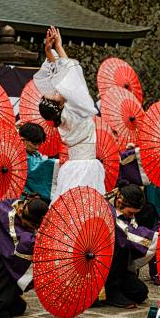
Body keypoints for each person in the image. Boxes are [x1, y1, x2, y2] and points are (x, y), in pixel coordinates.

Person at [34, 26, 103, 201]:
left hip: (72, 166)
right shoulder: (77, 107)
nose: (56, 90)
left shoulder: (62, 114)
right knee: (86, 206)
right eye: (54, 94)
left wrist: (48, 50)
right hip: (87, 166)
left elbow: (59, 75)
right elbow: (70, 74)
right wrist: (58, 46)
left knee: (69, 206)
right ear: (58, 103)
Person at [101, 184, 154, 308]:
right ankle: (110, 290)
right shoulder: (105, 208)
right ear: (120, 202)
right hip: (102, 263)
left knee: (140, 292)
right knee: (121, 243)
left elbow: (133, 228)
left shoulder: (124, 210)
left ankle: (115, 287)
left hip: (121, 269)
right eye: (130, 213)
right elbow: (128, 234)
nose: (131, 216)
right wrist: (157, 238)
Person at [19, 122, 57, 201]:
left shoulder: (35, 154)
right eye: (34, 143)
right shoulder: (19, 157)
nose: (37, 147)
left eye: (39, 144)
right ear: (22, 140)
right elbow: (38, 167)